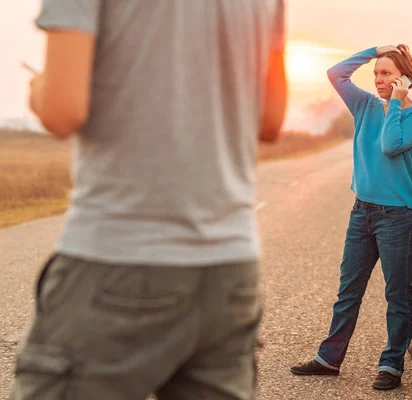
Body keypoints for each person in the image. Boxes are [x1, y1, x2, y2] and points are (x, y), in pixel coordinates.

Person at [12, 1, 286, 399]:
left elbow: (62, 109)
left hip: (120, 255)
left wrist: (38, 89)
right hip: (230, 267)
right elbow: (270, 119)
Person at [291, 44, 412, 391]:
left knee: (397, 295)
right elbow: (335, 73)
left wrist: (396, 103)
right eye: (376, 74)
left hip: (397, 218)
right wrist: (374, 52)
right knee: (348, 291)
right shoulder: (365, 105)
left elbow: (389, 144)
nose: (379, 80)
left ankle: (391, 365)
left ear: (405, 78)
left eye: (386, 73)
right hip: (362, 212)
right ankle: (329, 359)